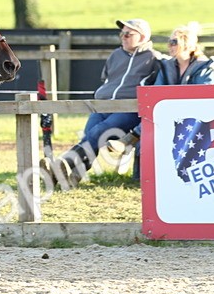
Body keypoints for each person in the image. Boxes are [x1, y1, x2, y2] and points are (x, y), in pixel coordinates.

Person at [48, 18, 160, 188]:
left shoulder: (154, 59)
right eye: (122, 34)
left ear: (143, 37)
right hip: (103, 105)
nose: (123, 37)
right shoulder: (115, 55)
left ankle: (63, 163)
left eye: (128, 34)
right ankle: (72, 177)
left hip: (128, 110)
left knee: (98, 132)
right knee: (89, 135)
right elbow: (107, 78)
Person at [123, 23, 214, 178]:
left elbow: (203, 97)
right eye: (169, 42)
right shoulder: (166, 66)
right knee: (147, 138)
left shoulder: (204, 67)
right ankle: (141, 178)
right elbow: (156, 94)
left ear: (187, 44)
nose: (169, 46)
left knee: (152, 131)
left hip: (195, 117)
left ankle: (133, 135)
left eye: (174, 42)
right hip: (169, 114)